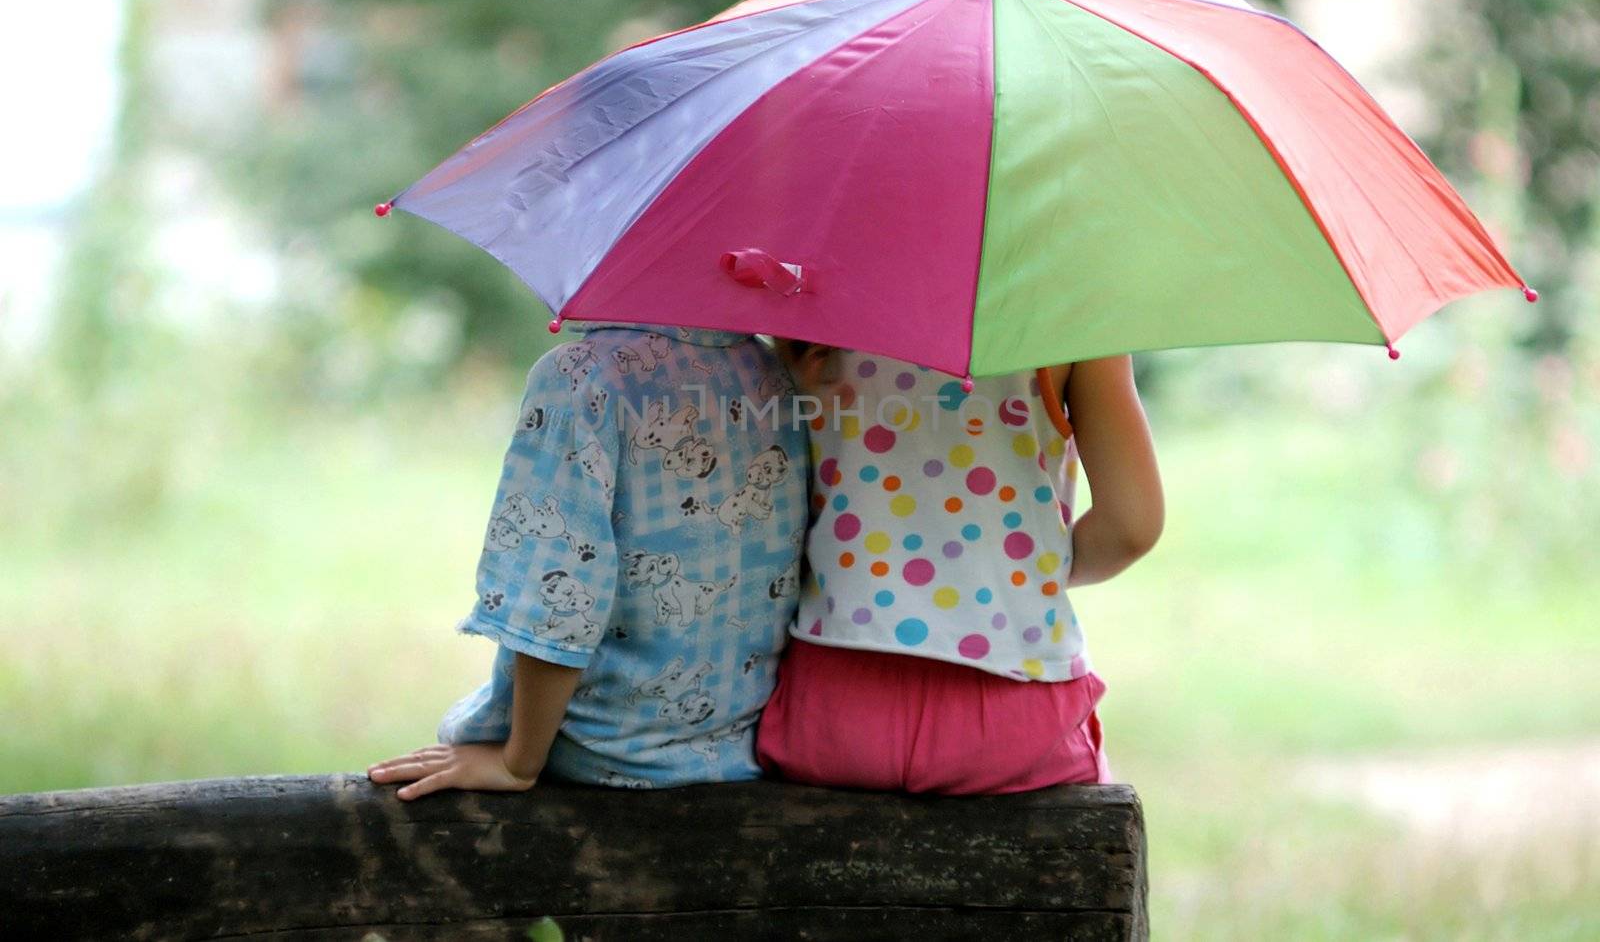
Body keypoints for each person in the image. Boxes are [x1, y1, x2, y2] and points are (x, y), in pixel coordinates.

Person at [369, 324, 806, 798]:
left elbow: (556, 597)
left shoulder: (580, 377)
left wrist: (518, 762)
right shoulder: (772, 373)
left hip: (602, 750)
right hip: (736, 750)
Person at [756, 347, 1163, 794]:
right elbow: (1131, 525)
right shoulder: (1066, 302)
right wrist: (1030, 574)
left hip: (832, 703)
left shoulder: (808, 293)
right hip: (1015, 705)